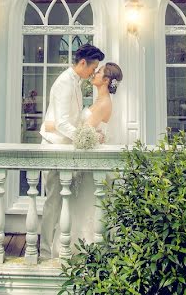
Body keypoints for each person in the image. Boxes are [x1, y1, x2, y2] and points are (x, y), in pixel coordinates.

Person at [48, 62, 123, 257]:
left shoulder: (104, 103)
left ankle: (86, 249)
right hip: (86, 163)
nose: (94, 73)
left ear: (106, 80)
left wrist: (53, 127)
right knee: (79, 205)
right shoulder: (99, 100)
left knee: (86, 207)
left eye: (98, 72)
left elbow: (83, 133)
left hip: (92, 165)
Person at [38, 43, 104, 259]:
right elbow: (62, 123)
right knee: (53, 201)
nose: (93, 72)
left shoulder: (76, 82)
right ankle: (45, 251)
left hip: (64, 147)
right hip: (54, 147)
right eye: (92, 67)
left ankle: (56, 247)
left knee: (62, 199)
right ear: (83, 62)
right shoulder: (65, 83)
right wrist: (85, 138)